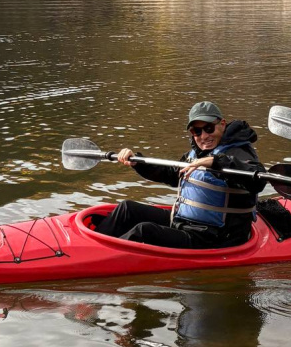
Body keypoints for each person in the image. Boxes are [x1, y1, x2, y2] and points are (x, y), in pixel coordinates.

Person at [94, 101, 263, 248]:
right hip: (185, 222)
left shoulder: (240, 152)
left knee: (144, 231)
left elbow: (257, 180)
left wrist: (216, 162)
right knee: (127, 209)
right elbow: (170, 174)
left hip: (216, 236)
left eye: (209, 128)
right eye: (197, 131)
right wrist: (137, 161)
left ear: (223, 124)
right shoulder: (196, 153)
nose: (204, 136)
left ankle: (99, 257)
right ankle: (92, 245)